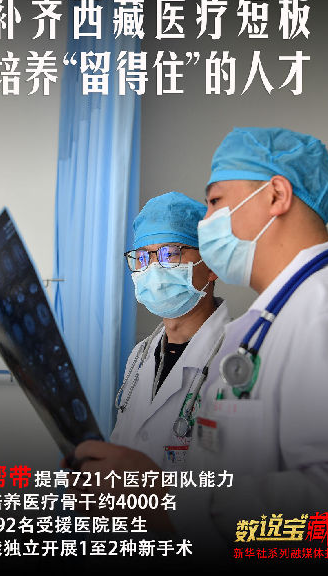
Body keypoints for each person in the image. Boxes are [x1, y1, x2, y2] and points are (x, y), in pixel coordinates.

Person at [67, 128, 328, 563]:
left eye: (215, 201)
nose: (206, 223)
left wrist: (167, 501)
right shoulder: (266, 325)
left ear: (277, 195)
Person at [111, 191, 229, 469]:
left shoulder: (235, 360)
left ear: (212, 264)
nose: (153, 269)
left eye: (170, 253)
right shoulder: (140, 356)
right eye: (142, 257)